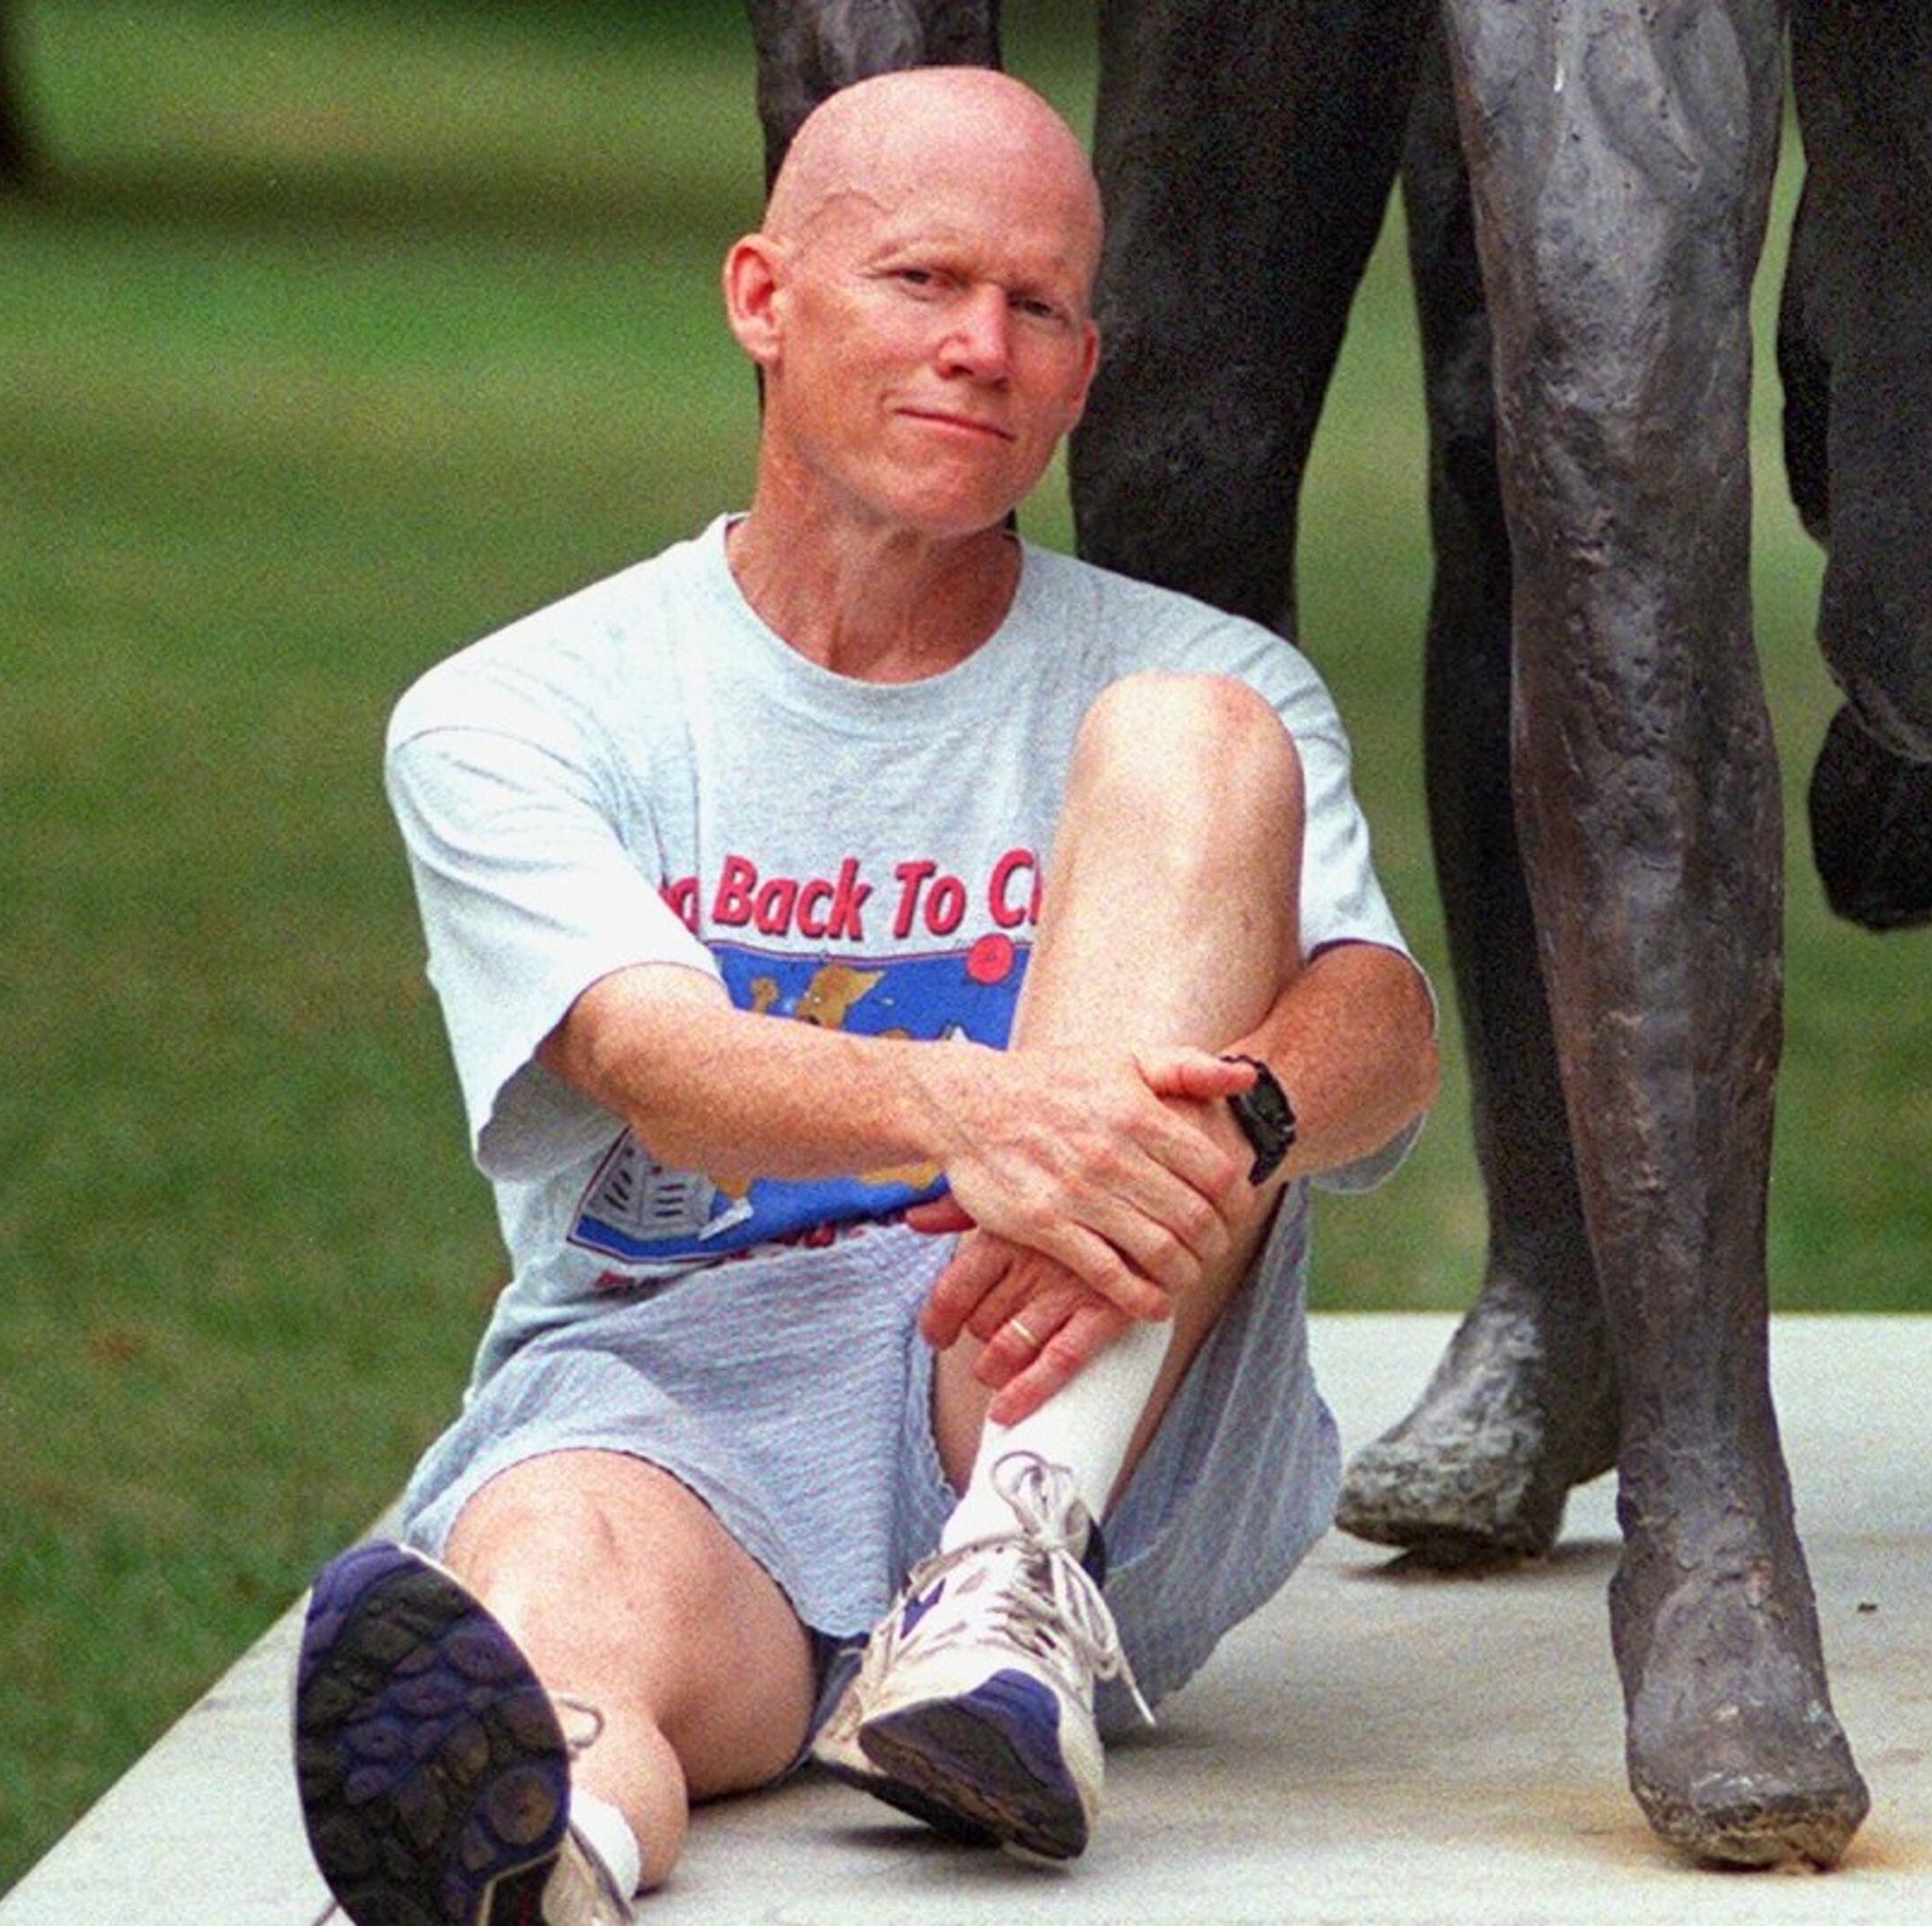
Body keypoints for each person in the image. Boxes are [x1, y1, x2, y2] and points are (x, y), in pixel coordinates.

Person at [288, 65, 1438, 1926]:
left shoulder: (1204, 679)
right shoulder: (520, 711)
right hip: (679, 1391)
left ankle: (1005, 1596)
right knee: (554, 1607)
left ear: (1084, 369)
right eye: (922, 280)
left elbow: (1384, 1022)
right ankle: (536, 1860)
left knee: (1193, 738)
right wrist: (985, 1111)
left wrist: (1224, 1128)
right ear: (764, 298)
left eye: (1038, 307)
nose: (983, 347)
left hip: (1070, 1394)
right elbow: (653, 1059)